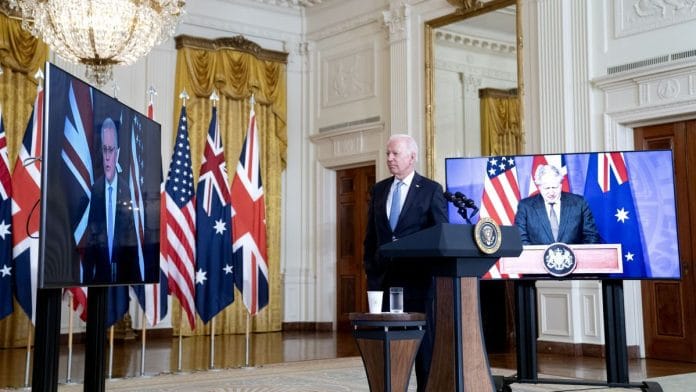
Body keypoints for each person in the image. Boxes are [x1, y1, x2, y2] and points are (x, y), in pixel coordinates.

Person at [363, 133, 448, 391]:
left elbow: (441, 235)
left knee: (423, 349)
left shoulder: (431, 190)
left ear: (412, 157)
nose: (389, 158)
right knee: (387, 348)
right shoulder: (379, 189)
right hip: (384, 281)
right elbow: (371, 236)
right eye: (388, 153)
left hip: (419, 283)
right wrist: (370, 269)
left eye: (395, 154)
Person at [84, 117, 140, 284]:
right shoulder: (96, 190)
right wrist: (85, 280)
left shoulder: (126, 191)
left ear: (118, 152)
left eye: (111, 150)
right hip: (99, 278)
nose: (107, 157)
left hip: (122, 278)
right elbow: (90, 238)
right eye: (104, 150)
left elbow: (130, 239)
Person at [515, 164, 600, 245]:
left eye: (554, 187)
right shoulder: (525, 207)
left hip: (574, 259)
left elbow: (591, 236)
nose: (551, 192)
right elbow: (520, 239)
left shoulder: (579, 203)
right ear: (539, 187)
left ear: (560, 185)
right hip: (537, 260)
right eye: (547, 188)